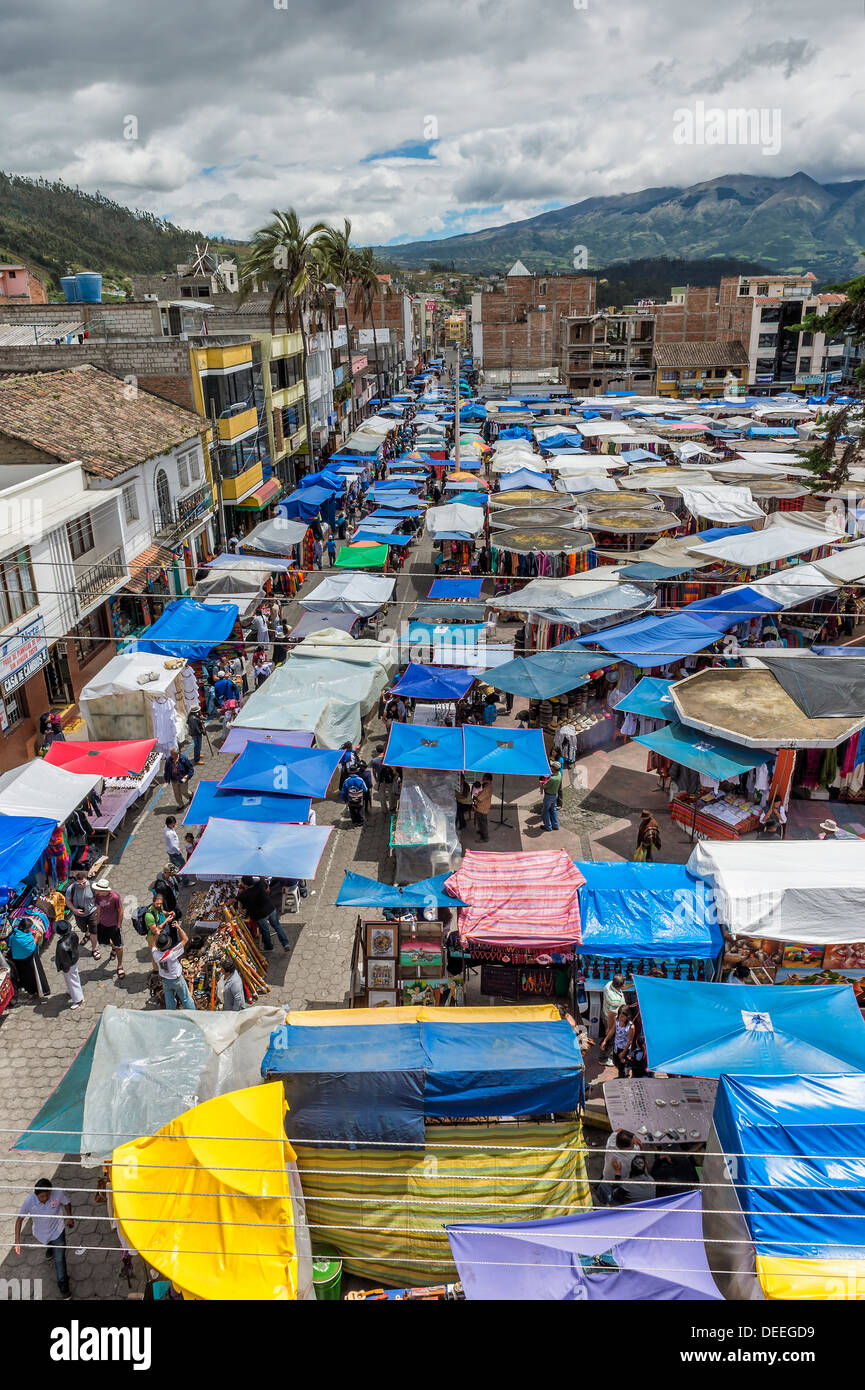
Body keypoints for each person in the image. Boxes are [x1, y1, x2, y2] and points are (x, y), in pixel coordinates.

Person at [15, 1180, 73, 1299]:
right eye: (42, 1196)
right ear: (36, 1195)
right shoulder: (29, 1202)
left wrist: (69, 1216)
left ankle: (63, 1287)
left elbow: (67, 1202)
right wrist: (17, 1240)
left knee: (60, 1260)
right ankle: (50, 1249)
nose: (46, 1198)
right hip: (41, 1233)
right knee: (49, 1243)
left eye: (48, 1194)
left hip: (58, 1230)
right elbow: (19, 1219)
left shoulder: (58, 1193)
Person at [237, 876, 289, 951]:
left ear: (245, 885)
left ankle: (269, 947)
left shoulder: (246, 894)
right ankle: (285, 943)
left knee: (265, 932)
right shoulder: (260, 884)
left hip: (261, 916)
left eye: (242, 882)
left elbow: (236, 900)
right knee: (277, 926)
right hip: (270, 909)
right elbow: (264, 882)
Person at [152, 922, 196, 1010]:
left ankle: (172, 1015)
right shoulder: (172, 953)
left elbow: (153, 946)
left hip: (166, 980)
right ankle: (193, 1014)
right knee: (186, 998)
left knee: (169, 1001)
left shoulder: (156, 955)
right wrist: (178, 927)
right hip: (177, 979)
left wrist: (157, 935)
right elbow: (185, 939)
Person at [8, 917, 50, 998]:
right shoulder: (22, 938)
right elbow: (30, 948)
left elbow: (25, 936)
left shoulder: (16, 933)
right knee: (33, 976)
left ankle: (30, 992)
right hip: (29, 960)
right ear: (25, 928)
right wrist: (36, 938)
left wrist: (32, 933)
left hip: (18, 960)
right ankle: (35, 991)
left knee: (24, 976)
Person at [597, 1129, 642, 1206]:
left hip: (606, 1181)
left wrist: (632, 1137)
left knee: (602, 1194)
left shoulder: (611, 1142)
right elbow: (641, 1158)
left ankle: (602, 1201)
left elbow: (618, 1130)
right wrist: (640, 1145)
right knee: (615, 1201)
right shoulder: (633, 1155)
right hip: (621, 1185)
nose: (634, 1144)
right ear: (627, 1147)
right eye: (632, 1143)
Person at [93, 878, 125, 978]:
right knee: (105, 941)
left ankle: (120, 966)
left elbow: (121, 911)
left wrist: (118, 925)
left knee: (119, 946)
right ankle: (113, 948)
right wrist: (97, 921)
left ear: (104, 890)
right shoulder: (98, 896)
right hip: (102, 924)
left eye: (97, 889)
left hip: (113, 925)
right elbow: (98, 908)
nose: (96, 891)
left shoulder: (115, 897)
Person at [65, 869, 100, 960]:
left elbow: (99, 898)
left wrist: (99, 911)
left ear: (86, 879)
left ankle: (94, 949)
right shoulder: (71, 888)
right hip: (79, 915)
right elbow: (67, 900)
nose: (82, 885)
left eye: (84, 883)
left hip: (92, 912)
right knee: (83, 929)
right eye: (79, 884)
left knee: (94, 932)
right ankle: (87, 934)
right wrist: (74, 910)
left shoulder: (93, 886)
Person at [53, 918, 83, 1010]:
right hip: (74, 960)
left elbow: (64, 960)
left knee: (72, 980)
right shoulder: (73, 934)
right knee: (74, 978)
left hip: (68, 965)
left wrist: (65, 968)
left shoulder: (61, 945)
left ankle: (78, 999)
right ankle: (71, 991)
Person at [600, 972, 626, 1061]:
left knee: (607, 1035)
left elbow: (623, 987)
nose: (625, 984)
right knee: (610, 1038)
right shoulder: (615, 1000)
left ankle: (604, 1042)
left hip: (604, 1012)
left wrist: (633, 984)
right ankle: (603, 1058)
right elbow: (611, 1015)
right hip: (610, 1018)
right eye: (624, 983)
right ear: (620, 985)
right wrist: (610, 1028)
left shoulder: (609, 984)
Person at [371, 744, 398, 815]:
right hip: (389, 779)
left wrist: (376, 778)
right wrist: (395, 776)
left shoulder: (374, 761)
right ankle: (392, 807)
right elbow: (394, 768)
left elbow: (374, 771)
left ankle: (384, 810)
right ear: (384, 750)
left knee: (382, 795)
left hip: (381, 780)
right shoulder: (388, 759)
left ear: (377, 751)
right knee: (391, 793)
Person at [613, 1005, 636, 1078]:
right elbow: (613, 1030)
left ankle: (622, 1078)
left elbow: (630, 1041)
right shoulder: (617, 1020)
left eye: (622, 1016)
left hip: (624, 1049)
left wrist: (623, 1053)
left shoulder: (631, 1027)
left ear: (627, 1016)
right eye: (619, 1015)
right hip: (616, 1046)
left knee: (622, 1067)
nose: (620, 1018)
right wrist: (605, 1040)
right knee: (616, 1062)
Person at [540, 760, 563, 832]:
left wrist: (541, 782)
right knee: (553, 810)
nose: (551, 768)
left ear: (554, 769)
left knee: (545, 811)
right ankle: (555, 825)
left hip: (549, 796)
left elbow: (544, 786)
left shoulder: (552, 779)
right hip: (555, 795)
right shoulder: (559, 774)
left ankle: (548, 826)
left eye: (552, 767)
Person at [473, 772, 494, 842]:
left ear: (487, 780)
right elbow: (480, 792)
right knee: (480, 821)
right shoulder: (486, 785)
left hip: (483, 808)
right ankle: (481, 831)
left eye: (484, 778)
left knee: (483, 823)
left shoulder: (488, 788)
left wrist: (476, 797)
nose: (482, 779)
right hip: (481, 807)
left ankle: (485, 837)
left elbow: (480, 798)